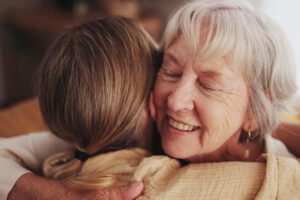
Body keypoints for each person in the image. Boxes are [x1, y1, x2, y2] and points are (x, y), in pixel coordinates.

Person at [1, 0, 300, 199]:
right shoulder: (134, 133)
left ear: (255, 109)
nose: (175, 101)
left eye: (209, 85)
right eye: (170, 70)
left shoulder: (286, 175)